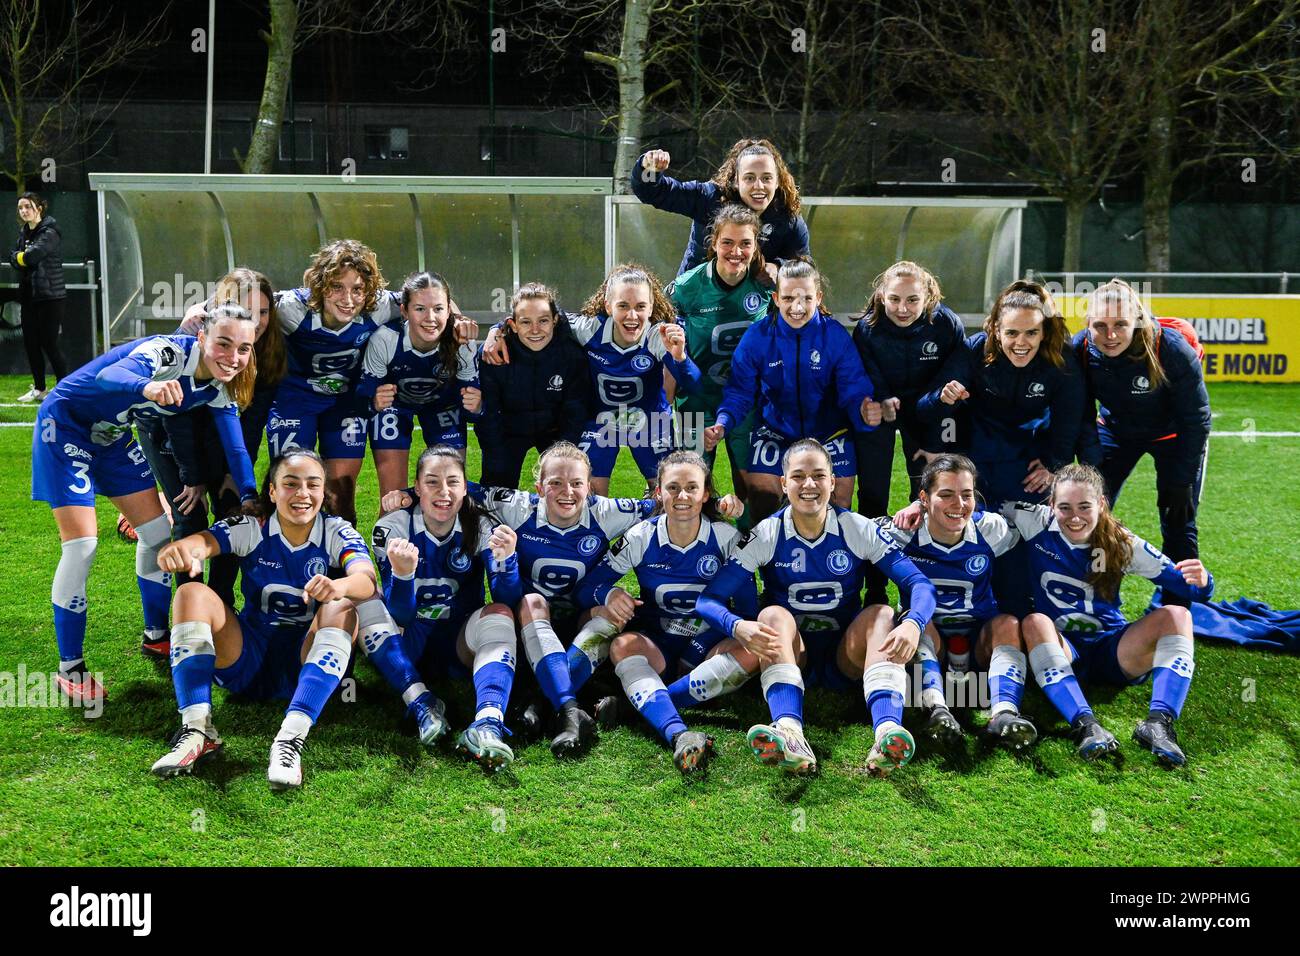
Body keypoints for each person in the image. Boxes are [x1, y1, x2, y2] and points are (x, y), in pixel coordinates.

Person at [31, 306, 260, 703]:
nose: (233, 357)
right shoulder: (167, 353)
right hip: (66, 424)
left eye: (243, 348)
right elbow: (109, 377)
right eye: (223, 343)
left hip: (112, 438)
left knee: (158, 537)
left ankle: (157, 635)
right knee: (82, 546)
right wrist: (148, 388)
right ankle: (70, 668)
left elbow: (235, 446)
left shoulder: (219, 386)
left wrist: (250, 495)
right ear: (202, 338)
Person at [696, 439, 937, 777]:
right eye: (798, 476)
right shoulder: (767, 533)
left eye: (818, 476)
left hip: (847, 656)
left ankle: (886, 734)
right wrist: (738, 626)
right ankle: (790, 733)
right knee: (771, 616)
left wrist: (913, 623)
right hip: (793, 653)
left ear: (832, 481)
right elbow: (707, 600)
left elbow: (920, 585)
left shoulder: (856, 527)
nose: (808, 485)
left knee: (882, 613)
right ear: (783, 483)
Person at [149, 450, 376, 789]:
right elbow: (206, 542)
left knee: (343, 605)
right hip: (249, 658)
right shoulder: (252, 527)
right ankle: (197, 730)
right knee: (190, 594)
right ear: (272, 491)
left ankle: (289, 740)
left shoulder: (335, 531)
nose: (302, 494)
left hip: (307, 662)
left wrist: (337, 584)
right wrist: (186, 549)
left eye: (312, 485)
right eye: (290, 484)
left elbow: (366, 580)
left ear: (323, 491)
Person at [1005, 464, 1211, 766]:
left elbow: (1189, 588)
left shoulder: (1123, 542)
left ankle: (1158, 724)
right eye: (1065, 507)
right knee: (1035, 621)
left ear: (1101, 504)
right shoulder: (1032, 520)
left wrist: (1204, 582)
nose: (1075, 517)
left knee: (1177, 615)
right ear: (1050, 505)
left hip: (1113, 651)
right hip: (1062, 648)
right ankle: (1086, 726)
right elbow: (971, 510)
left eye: (1085, 506)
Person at [573, 451, 760, 774]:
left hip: (707, 646)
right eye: (672, 488)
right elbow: (587, 587)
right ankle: (674, 725)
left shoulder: (726, 538)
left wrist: (696, 650)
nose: (682, 496)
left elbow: (745, 610)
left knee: (753, 650)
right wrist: (610, 592)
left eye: (691, 487)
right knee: (622, 645)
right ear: (658, 492)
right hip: (657, 643)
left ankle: (643, 706)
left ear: (705, 494)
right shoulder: (641, 536)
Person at [915, 279, 1088, 617]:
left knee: (1018, 562)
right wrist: (943, 397)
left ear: (1044, 332)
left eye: (1030, 334)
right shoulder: (976, 349)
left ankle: (1020, 619)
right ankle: (952, 612)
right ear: (995, 329)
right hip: (978, 463)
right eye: (1011, 334)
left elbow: (1072, 419)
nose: (1020, 343)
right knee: (969, 537)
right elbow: (924, 408)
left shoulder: (1060, 360)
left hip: (1026, 464)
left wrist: (1055, 464)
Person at [131, 269, 287, 606]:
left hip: (219, 433)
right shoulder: (198, 337)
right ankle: (191, 605)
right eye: (248, 310)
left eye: (263, 312)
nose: (257, 321)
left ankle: (221, 603)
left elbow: (252, 422)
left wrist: (233, 475)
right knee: (191, 511)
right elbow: (180, 418)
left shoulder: (270, 350)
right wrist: (194, 477)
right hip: (167, 429)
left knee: (233, 510)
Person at [480, 264, 700, 497]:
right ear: (608, 305)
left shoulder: (658, 335)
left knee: (670, 491)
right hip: (601, 421)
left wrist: (680, 357)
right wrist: (497, 329)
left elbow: (694, 384)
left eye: (640, 306)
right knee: (590, 497)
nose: (632, 315)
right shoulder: (588, 328)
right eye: (623, 305)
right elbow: (539, 316)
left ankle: (652, 510)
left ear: (651, 306)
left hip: (649, 420)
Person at [370, 445, 523, 771]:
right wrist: (403, 575)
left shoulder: (481, 523)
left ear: (465, 487)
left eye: (453, 482)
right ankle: (422, 703)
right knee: (366, 604)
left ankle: (488, 722)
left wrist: (506, 563)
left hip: (460, 641)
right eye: (432, 482)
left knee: (501, 615)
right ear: (416, 487)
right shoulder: (393, 527)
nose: (444, 492)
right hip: (408, 638)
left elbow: (505, 601)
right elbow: (400, 615)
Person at [704, 258, 882, 523]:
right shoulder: (758, 337)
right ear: (775, 298)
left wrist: (863, 411)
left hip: (828, 432)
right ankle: (773, 563)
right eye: (788, 298)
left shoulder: (835, 336)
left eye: (806, 298)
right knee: (762, 498)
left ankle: (832, 563)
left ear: (818, 297)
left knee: (838, 502)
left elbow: (854, 389)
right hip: (775, 430)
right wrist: (723, 423)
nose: (797, 307)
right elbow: (739, 392)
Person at [884, 454, 1037, 753]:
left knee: (1009, 623)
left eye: (966, 495)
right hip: (928, 643)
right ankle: (937, 710)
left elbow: (1036, 534)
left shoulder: (991, 529)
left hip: (979, 639)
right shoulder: (902, 533)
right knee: (917, 621)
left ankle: (1003, 714)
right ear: (924, 499)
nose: (959, 504)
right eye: (946, 495)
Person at [1075, 278, 1211, 607]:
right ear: (1088, 324)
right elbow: (1078, 413)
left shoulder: (1172, 349)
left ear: (1136, 321)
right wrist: (1094, 469)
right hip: (1116, 431)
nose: (1110, 336)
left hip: (1174, 435)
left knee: (1177, 516)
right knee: (1092, 509)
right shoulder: (1079, 349)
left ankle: (1177, 608)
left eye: (1120, 325)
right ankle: (1093, 596)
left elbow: (1197, 419)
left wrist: (1180, 481)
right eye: (1100, 326)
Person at [852, 260, 966, 605]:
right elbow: (864, 371)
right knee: (872, 498)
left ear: (928, 296)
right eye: (895, 300)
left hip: (929, 411)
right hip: (884, 412)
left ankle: (919, 583)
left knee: (927, 496)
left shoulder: (945, 324)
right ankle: (873, 588)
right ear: (881, 297)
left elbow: (954, 370)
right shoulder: (868, 327)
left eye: (912, 300)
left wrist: (930, 411)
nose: (903, 309)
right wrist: (883, 398)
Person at [265, 239, 401, 527]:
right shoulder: (292, 308)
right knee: (291, 496)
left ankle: (341, 570)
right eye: (337, 287)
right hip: (295, 402)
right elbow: (246, 294)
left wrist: (463, 318)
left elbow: (428, 298)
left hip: (346, 403)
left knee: (340, 499)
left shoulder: (379, 306)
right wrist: (199, 310)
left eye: (357, 289)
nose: (348, 299)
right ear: (319, 285)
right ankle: (288, 566)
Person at [666, 204, 772, 525]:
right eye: (727, 242)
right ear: (713, 242)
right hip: (696, 403)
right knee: (692, 486)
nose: (736, 251)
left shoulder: (766, 286)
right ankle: (699, 558)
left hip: (747, 404)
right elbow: (663, 346)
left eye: (745, 243)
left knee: (752, 489)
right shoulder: (686, 287)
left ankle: (748, 557)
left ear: (755, 247)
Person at [356, 271, 478, 496]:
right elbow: (363, 402)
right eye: (420, 308)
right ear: (404, 311)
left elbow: (474, 411)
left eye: (438, 309)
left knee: (450, 492)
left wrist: (477, 405)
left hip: (442, 406)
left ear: (449, 310)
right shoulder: (385, 339)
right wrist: (374, 402)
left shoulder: (463, 342)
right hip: (396, 406)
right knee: (393, 497)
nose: (430, 318)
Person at [466, 282, 591, 488]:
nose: (535, 330)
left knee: (563, 483)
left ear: (555, 320)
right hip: (509, 429)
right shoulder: (494, 354)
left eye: (543, 321)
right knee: (497, 484)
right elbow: (489, 414)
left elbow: (575, 412)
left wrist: (564, 454)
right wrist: (496, 458)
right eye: (525, 322)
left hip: (554, 429)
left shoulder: (571, 355)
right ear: (513, 324)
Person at [631, 138, 809, 278]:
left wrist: (778, 266)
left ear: (777, 181)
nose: (759, 186)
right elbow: (653, 192)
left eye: (767, 178)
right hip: (697, 305)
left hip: (754, 310)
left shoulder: (788, 217)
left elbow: (805, 266)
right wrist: (648, 168)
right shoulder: (709, 198)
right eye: (749, 178)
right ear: (735, 180)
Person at [12, 192, 68, 403]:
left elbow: (31, 256)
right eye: (20, 208)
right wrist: (20, 258)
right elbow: (14, 256)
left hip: (51, 297)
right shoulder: (24, 232)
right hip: (29, 296)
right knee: (31, 343)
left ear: (39, 208)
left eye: (28, 206)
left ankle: (64, 388)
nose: (24, 211)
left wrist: (21, 257)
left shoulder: (50, 231)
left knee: (49, 343)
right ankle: (39, 389)